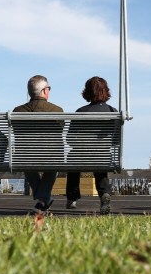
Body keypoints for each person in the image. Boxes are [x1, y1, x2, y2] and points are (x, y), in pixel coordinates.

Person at [66, 77, 118, 213]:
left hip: (80, 156)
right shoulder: (113, 112)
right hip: (103, 156)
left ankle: (72, 198)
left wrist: (82, 145)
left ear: (87, 92)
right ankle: (104, 194)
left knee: (73, 158)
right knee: (100, 160)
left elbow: (69, 139)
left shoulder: (80, 112)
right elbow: (115, 140)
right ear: (106, 91)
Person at [13, 75, 63, 212]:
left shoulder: (17, 111)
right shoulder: (57, 110)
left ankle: (43, 198)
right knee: (54, 161)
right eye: (49, 88)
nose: (49, 91)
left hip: (25, 156)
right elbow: (60, 130)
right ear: (43, 91)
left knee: (25, 160)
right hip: (52, 156)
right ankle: (43, 198)